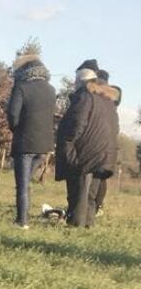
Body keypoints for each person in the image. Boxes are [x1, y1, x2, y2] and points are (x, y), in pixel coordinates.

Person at [55, 67, 120, 228]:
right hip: (104, 152)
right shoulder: (108, 99)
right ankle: (88, 226)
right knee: (90, 196)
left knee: (79, 194)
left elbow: (77, 123)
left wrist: (68, 146)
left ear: (81, 82)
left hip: (85, 151)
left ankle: (75, 227)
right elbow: (114, 128)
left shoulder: (85, 96)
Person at [6, 54, 56, 229]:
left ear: (24, 71)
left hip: (25, 142)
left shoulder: (21, 87)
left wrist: (16, 129)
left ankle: (22, 221)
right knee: (26, 182)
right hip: (44, 146)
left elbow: (13, 114)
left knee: (22, 185)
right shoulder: (51, 90)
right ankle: (23, 215)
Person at [90, 66, 122, 217]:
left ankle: (93, 205)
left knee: (96, 176)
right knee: (101, 177)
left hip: (98, 139)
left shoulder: (100, 96)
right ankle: (98, 205)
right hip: (110, 141)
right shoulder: (113, 98)